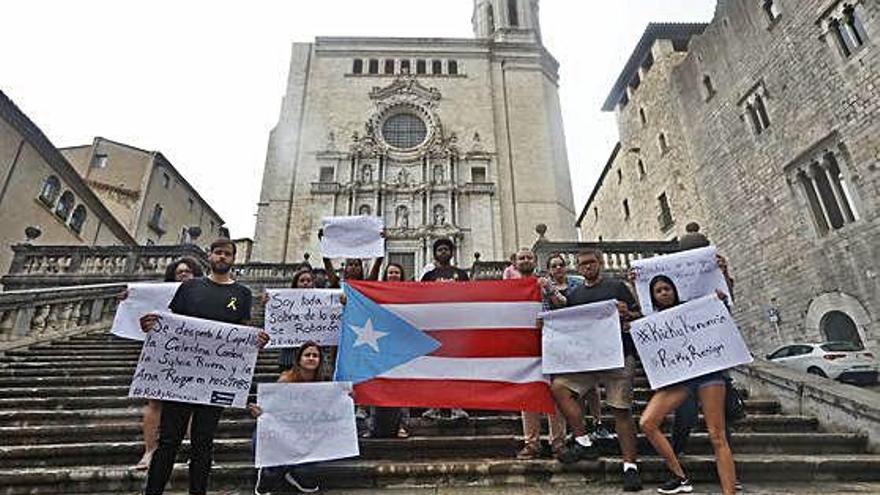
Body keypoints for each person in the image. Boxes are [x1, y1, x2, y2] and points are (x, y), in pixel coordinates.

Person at [140, 238, 270, 495]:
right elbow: (171, 323)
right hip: (181, 378)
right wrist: (152, 325)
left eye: (228, 254)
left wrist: (256, 341)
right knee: (168, 441)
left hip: (216, 380)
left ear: (234, 259)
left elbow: (242, 332)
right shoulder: (189, 288)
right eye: (218, 252)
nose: (222, 257)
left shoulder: (242, 294)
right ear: (209, 256)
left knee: (203, 443)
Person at [551, 248, 643, 492]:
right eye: (582, 264)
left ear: (600, 263)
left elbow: (639, 316)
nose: (587, 267)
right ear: (578, 268)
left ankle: (630, 466)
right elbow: (566, 323)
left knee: (621, 411)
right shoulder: (575, 294)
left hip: (619, 357)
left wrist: (628, 314)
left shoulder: (618, 287)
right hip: (587, 361)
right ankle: (583, 439)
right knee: (559, 388)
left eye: (591, 262)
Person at [637, 276, 737, 495]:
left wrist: (721, 298)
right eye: (658, 291)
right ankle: (679, 476)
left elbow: (721, 319)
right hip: (680, 378)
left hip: (708, 373)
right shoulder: (652, 321)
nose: (664, 293)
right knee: (647, 422)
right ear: (652, 296)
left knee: (717, 435)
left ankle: (730, 492)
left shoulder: (694, 309)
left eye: (667, 288)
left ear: (674, 290)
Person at [127, 257, 204, 470]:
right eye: (179, 272)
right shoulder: (157, 296)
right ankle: (150, 450)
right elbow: (138, 316)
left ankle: (196, 452)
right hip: (162, 353)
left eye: (188, 271)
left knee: (193, 404)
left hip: (194, 354)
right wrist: (129, 301)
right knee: (155, 403)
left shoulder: (206, 296)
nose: (184, 274)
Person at [545, 254, 614, 442]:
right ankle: (579, 428)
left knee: (591, 385)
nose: (558, 268)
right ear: (549, 270)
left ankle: (598, 422)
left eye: (561, 264)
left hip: (584, 338)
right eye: (554, 266)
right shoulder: (545, 288)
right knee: (570, 388)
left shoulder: (578, 283)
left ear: (566, 266)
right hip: (560, 342)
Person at [510, 248, 566, 459]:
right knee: (527, 394)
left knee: (554, 392)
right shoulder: (509, 288)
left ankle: (558, 442)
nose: (525, 260)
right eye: (521, 257)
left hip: (549, 343)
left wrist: (549, 291)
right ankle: (531, 443)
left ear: (534, 261)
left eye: (529, 257)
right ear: (514, 263)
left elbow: (563, 303)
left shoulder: (545, 282)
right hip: (523, 346)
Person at [252, 341, 325, 494]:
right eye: (307, 355)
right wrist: (260, 411)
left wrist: (345, 398)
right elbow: (272, 408)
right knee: (272, 465)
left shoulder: (325, 383)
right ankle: (268, 473)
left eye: (315, 355)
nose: (311, 358)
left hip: (308, 435)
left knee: (307, 477)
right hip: (283, 432)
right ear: (299, 359)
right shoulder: (286, 379)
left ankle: (292, 472)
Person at [420, 238, 469, 420]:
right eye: (439, 250)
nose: (443, 253)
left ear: (451, 252)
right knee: (435, 367)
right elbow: (420, 299)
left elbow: (470, 297)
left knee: (457, 367)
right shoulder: (428, 276)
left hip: (457, 327)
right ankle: (434, 405)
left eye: (446, 249)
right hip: (435, 327)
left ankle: (457, 405)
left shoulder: (461, 275)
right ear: (435, 254)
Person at [276, 268, 316, 371]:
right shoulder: (284, 302)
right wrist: (268, 302)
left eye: (308, 281)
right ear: (296, 284)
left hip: (313, 359)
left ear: (313, 284)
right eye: (302, 281)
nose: (305, 283)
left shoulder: (323, 304)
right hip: (289, 358)